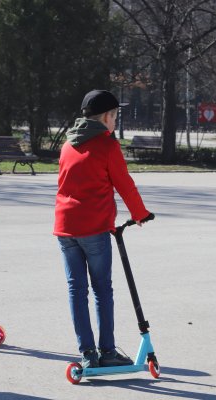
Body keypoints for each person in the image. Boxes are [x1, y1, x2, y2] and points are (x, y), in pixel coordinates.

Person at [53, 89, 152, 369]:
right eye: (115, 116)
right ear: (107, 117)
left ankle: (87, 353)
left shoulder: (67, 144)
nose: (115, 122)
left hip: (65, 227)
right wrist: (140, 214)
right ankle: (107, 350)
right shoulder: (107, 146)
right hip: (93, 226)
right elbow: (124, 183)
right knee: (102, 289)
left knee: (76, 290)